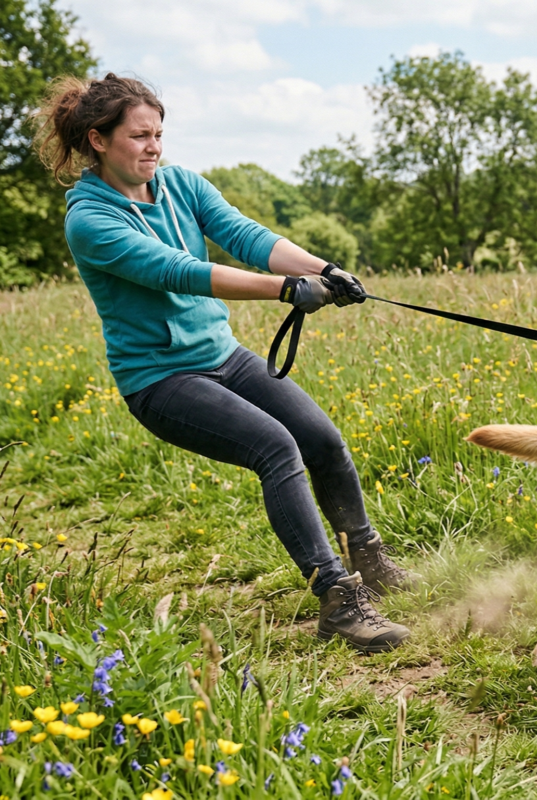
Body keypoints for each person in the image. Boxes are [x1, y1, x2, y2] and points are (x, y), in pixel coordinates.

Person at [34, 73, 412, 653]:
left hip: (222, 357)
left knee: (322, 439)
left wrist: (323, 268)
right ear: (98, 140)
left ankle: (370, 560)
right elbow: (175, 271)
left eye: (159, 133)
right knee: (275, 448)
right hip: (161, 379)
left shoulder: (181, 184)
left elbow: (245, 235)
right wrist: (286, 290)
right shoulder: (91, 220)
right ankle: (338, 598)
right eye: (139, 136)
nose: (154, 147)